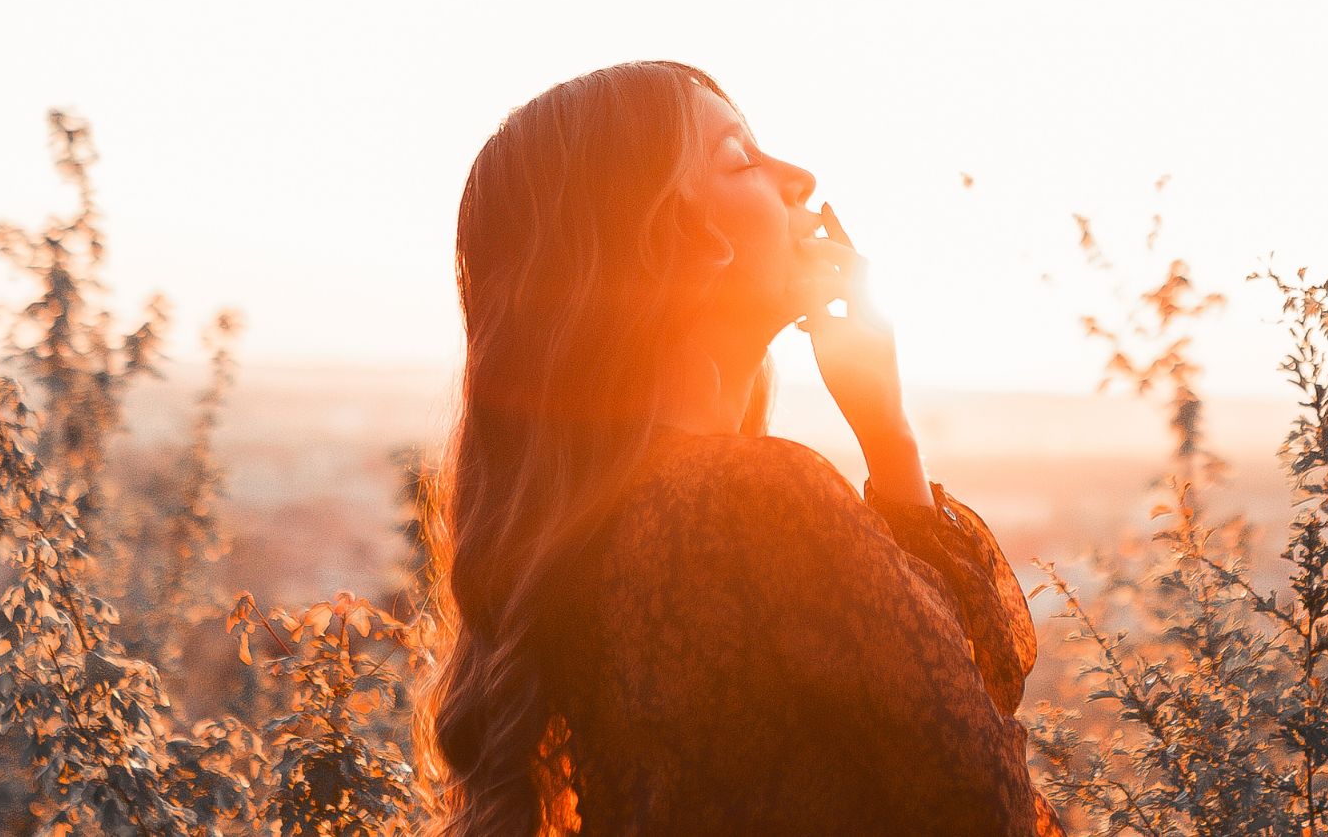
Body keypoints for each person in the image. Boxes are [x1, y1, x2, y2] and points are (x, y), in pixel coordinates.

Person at [415, 60, 1064, 837]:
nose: (801, 178)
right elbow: (986, 799)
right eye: (742, 160)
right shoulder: (760, 499)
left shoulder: (593, 523)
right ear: (664, 241)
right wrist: (891, 437)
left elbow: (968, 683)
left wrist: (887, 433)